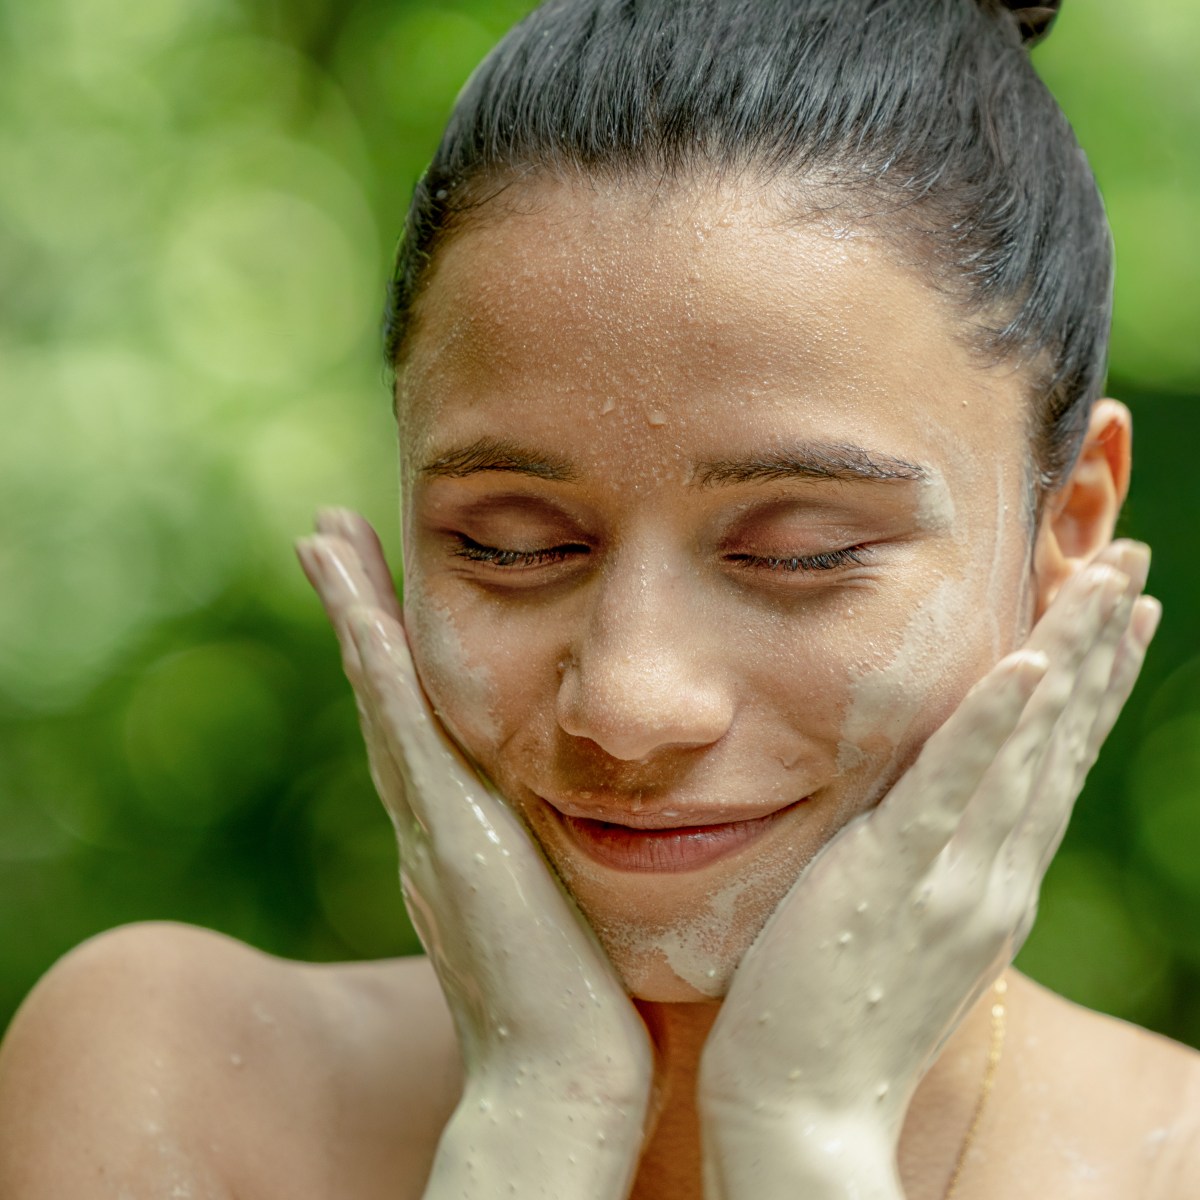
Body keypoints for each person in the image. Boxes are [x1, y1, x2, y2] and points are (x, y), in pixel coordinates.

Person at [0, 0, 1197, 1197]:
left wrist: (800, 1137)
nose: (627, 702)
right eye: (512, 546)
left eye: (799, 552)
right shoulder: (173, 1082)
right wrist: (534, 1118)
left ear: (1069, 528)